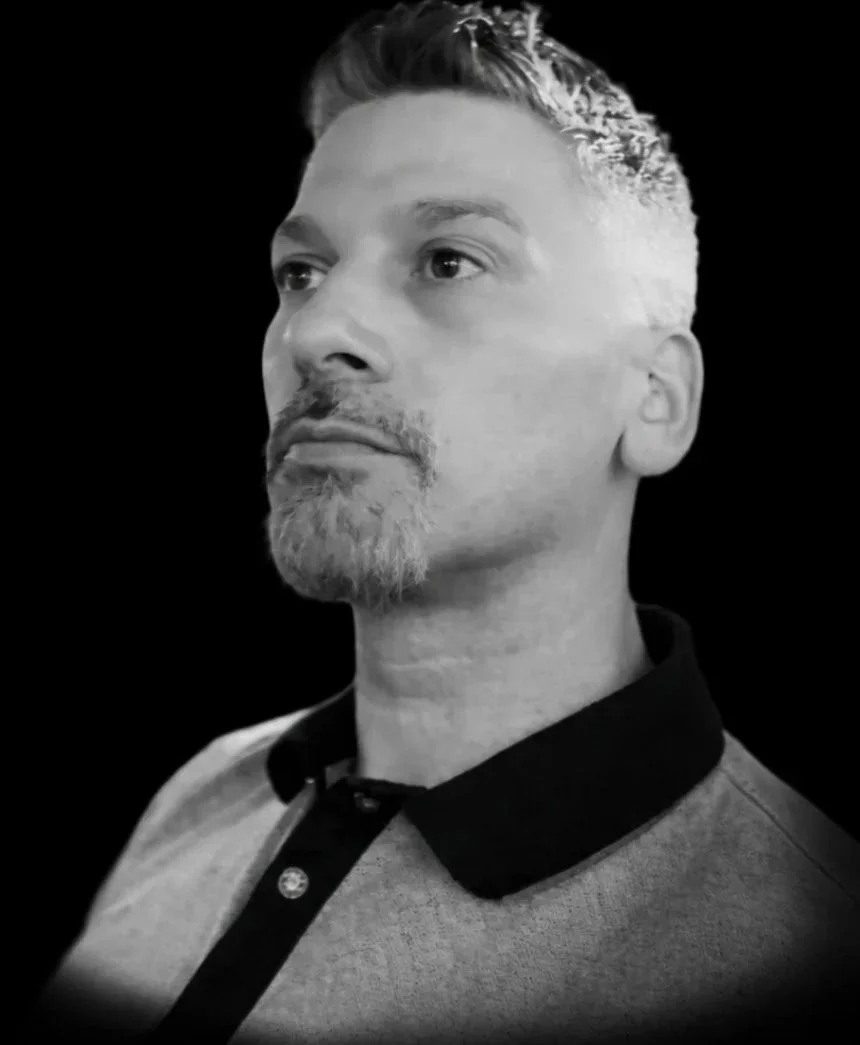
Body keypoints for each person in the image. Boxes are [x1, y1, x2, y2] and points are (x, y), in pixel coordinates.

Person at [20, 2, 859, 1043]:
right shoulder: (206, 791)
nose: (316, 331)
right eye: (300, 272)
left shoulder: (802, 943)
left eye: (447, 260)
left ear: (653, 397)